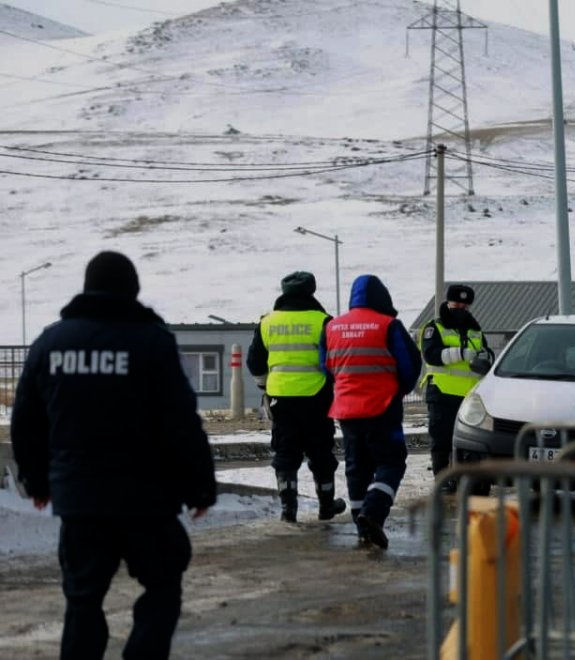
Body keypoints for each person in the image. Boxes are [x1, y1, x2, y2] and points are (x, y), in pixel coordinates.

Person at [10, 251, 216, 659]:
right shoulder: (153, 342)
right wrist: (199, 488)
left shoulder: (52, 343)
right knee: (162, 585)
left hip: (80, 500)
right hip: (147, 501)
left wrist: (37, 481)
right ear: (132, 290)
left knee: (83, 599)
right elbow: (181, 422)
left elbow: (25, 422)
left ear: (87, 288)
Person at [321, 275, 421, 549]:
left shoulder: (332, 327)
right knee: (391, 461)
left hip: (346, 408)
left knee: (357, 467)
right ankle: (373, 513)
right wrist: (399, 389)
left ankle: (361, 525)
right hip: (382, 406)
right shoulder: (388, 325)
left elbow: (325, 365)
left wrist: (344, 385)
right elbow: (411, 364)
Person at [246, 271, 346, 523]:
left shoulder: (267, 322)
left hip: (281, 397)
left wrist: (265, 388)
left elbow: (254, 362)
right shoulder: (323, 322)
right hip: (316, 396)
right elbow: (336, 361)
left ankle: (288, 509)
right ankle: (326, 505)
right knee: (321, 451)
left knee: (285, 451)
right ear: (311, 290)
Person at [420, 284, 493, 481]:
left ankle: (464, 479)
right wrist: (460, 353)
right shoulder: (434, 327)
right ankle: (443, 480)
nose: (461, 308)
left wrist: (487, 356)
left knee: (468, 443)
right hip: (442, 394)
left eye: (465, 306)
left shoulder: (476, 331)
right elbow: (431, 355)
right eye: (457, 304)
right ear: (449, 303)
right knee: (441, 442)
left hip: (469, 398)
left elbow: (488, 354)